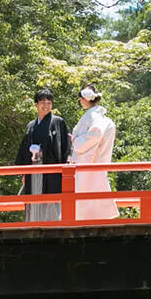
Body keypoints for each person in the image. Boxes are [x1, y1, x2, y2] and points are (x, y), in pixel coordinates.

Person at [14, 88, 70, 221]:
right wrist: (23, 173)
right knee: (34, 198)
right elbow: (24, 150)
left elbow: (65, 147)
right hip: (33, 168)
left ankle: (53, 227)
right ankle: (34, 225)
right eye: (42, 102)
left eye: (49, 103)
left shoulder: (57, 122)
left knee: (51, 200)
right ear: (36, 104)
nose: (46, 106)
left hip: (51, 169)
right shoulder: (31, 125)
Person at [70, 83, 118, 220]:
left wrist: (75, 141)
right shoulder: (96, 115)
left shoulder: (93, 116)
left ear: (85, 99)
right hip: (93, 159)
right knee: (93, 192)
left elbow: (95, 134)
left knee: (87, 192)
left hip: (89, 160)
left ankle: (88, 220)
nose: (80, 101)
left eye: (80, 98)